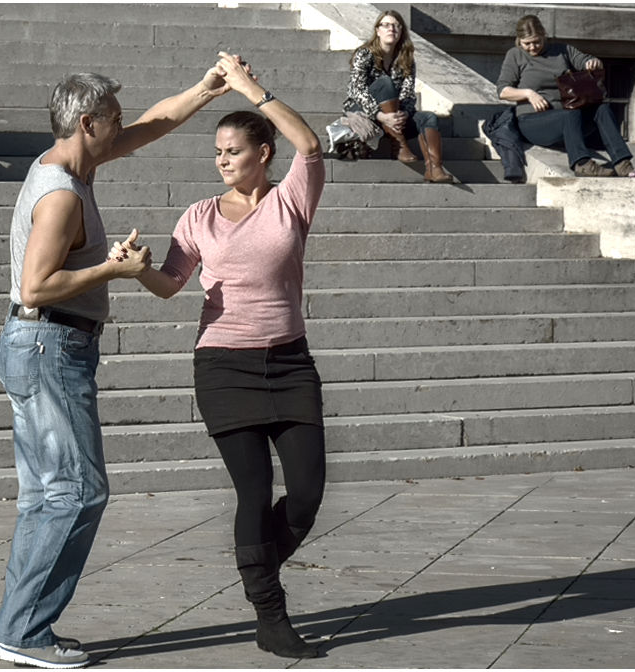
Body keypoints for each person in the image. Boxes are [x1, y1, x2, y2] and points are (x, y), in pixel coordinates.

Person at [0, 64, 236, 669]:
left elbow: (155, 122)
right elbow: (36, 286)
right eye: (112, 120)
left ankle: (16, 629)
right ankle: (22, 632)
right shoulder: (61, 194)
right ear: (86, 123)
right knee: (77, 492)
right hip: (48, 345)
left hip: (45, 347)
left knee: (48, 497)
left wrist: (207, 89)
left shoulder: (76, 163)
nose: (123, 127)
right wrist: (113, 270)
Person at [112, 51, 325, 659]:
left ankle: (251, 559)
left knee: (306, 496)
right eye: (216, 152)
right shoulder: (199, 215)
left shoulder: (292, 199)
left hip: (290, 362)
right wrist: (138, 271)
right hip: (224, 366)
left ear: (261, 152)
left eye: (232, 150)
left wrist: (249, 87)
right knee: (254, 495)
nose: (222, 160)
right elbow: (170, 285)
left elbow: (310, 144)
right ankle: (269, 610)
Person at [496, 14, 633, 178]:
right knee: (570, 114)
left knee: (602, 109)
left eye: (536, 42)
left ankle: (622, 163)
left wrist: (593, 62)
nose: (532, 47)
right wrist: (528, 94)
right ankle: (581, 163)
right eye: (527, 43)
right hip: (532, 122)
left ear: (544, 36)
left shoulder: (562, 50)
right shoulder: (515, 55)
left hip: (569, 120)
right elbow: (503, 91)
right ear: (519, 41)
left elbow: (586, 59)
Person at [342, 9, 453, 183]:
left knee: (429, 117)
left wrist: (405, 114)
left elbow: (408, 95)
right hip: (365, 112)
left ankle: (434, 169)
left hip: (395, 118)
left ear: (401, 31)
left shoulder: (406, 58)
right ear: (378, 31)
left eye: (396, 26)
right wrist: (381, 115)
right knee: (386, 83)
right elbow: (357, 90)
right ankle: (399, 144)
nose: (391, 29)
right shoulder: (364, 54)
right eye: (385, 25)